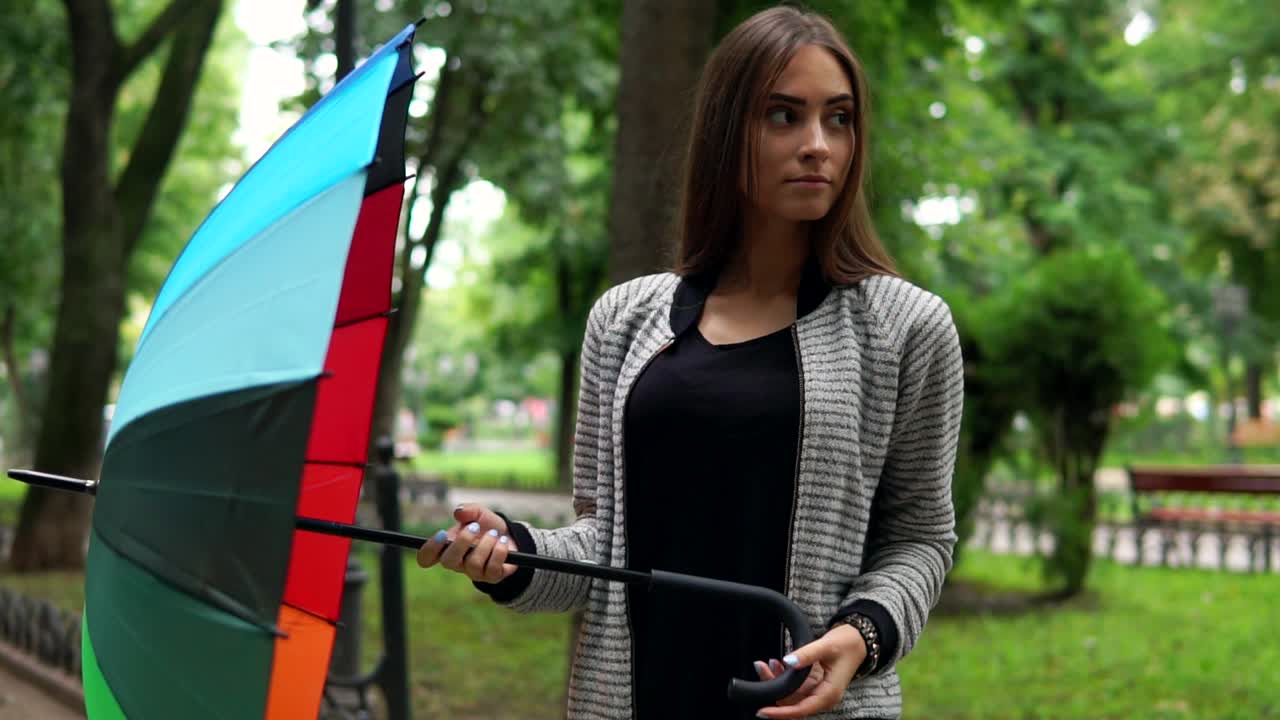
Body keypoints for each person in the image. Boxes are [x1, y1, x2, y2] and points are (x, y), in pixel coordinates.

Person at [416, 4, 963, 719]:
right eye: (782, 116)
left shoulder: (906, 328)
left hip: (807, 705)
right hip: (641, 699)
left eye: (839, 119)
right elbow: (602, 543)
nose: (817, 145)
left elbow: (921, 538)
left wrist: (860, 635)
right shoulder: (624, 319)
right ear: (726, 129)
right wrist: (517, 553)